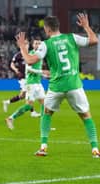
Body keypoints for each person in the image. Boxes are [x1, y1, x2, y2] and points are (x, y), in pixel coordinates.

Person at [16, 13, 100, 157]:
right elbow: (94, 40)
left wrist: (23, 47)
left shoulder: (45, 44)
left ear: (47, 30)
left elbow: (30, 60)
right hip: (74, 85)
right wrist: (86, 26)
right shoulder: (72, 37)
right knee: (86, 116)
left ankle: (43, 147)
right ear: (58, 27)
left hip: (56, 87)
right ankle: (95, 149)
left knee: (47, 113)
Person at [6, 38, 49, 130]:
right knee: (29, 105)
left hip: (38, 83)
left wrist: (43, 73)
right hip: (31, 84)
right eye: (36, 43)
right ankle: (10, 118)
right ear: (33, 45)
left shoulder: (40, 54)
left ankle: (44, 126)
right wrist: (42, 72)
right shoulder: (30, 55)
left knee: (45, 105)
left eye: (39, 43)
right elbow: (28, 69)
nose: (38, 45)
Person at [2, 41, 40, 118]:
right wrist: (15, 70)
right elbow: (11, 64)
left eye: (27, 44)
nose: (26, 46)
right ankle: (32, 112)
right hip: (22, 77)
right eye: (25, 44)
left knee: (22, 95)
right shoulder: (18, 55)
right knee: (29, 93)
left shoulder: (30, 54)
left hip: (29, 77)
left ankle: (7, 102)